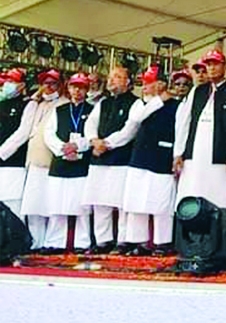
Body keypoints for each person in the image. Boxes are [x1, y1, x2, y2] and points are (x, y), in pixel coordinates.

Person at [174, 49, 226, 209]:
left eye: (215, 64)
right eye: (208, 64)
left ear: (225, 66)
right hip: (193, 157)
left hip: (220, 159)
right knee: (191, 198)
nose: (211, 68)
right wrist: (178, 153)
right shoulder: (197, 91)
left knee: (217, 202)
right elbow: (184, 123)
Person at [122, 66, 179, 255]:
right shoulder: (140, 104)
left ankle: (163, 242)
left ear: (161, 84)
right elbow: (137, 119)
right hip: (140, 157)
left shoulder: (176, 105)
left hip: (163, 156)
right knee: (137, 200)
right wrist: (158, 101)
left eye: (149, 82)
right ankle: (138, 242)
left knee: (161, 202)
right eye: (143, 83)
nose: (144, 86)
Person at [82, 66, 138, 253]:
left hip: (121, 158)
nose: (112, 80)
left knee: (121, 203)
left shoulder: (135, 103)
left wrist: (106, 144)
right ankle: (102, 241)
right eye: (111, 76)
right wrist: (93, 141)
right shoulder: (103, 103)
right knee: (99, 201)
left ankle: (123, 241)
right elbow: (90, 124)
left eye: (118, 77)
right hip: (99, 158)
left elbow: (129, 131)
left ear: (128, 82)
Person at [42, 73, 94, 253]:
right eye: (74, 86)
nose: (77, 90)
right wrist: (63, 148)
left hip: (82, 162)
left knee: (81, 206)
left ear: (87, 90)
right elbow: (49, 133)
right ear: (69, 88)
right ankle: (54, 242)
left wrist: (77, 147)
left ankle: (82, 242)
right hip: (61, 162)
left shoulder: (93, 109)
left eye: (81, 87)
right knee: (56, 204)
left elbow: (94, 134)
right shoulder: (59, 110)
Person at [19, 69, 64, 250]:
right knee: (33, 205)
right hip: (34, 160)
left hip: (51, 161)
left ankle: (51, 242)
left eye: (52, 83)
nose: (48, 86)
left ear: (60, 85)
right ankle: (35, 242)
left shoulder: (63, 104)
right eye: (45, 83)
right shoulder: (36, 104)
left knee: (50, 205)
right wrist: (34, 98)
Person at [0, 69, 34, 219]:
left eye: (12, 81)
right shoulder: (2, 103)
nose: (7, 84)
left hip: (14, 162)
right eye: (6, 81)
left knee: (12, 203)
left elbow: (23, 132)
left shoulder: (28, 104)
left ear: (21, 85)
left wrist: (2, 152)